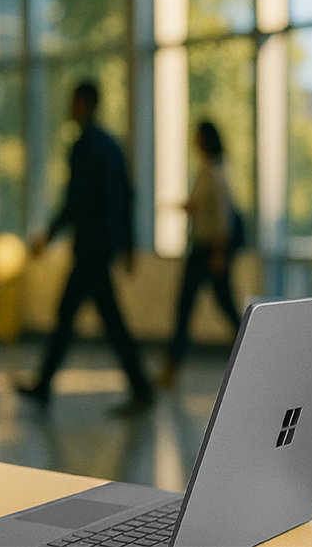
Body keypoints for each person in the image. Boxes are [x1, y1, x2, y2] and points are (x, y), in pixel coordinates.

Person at [17, 81, 154, 415]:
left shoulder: (85, 146)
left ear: (83, 103)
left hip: (91, 248)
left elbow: (75, 200)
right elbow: (126, 197)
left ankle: (139, 387)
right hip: (103, 246)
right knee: (85, 315)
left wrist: (49, 235)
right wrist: (128, 245)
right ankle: (47, 385)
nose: (70, 107)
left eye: (73, 101)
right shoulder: (111, 146)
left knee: (86, 316)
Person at [159, 121, 242, 390]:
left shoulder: (216, 172)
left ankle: (254, 351)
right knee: (186, 308)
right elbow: (202, 207)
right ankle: (172, 367)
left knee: (223, 306)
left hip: (210, 251)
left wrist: (219, 253)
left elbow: (223, 217)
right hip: (202, 249)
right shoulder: (207, 170)